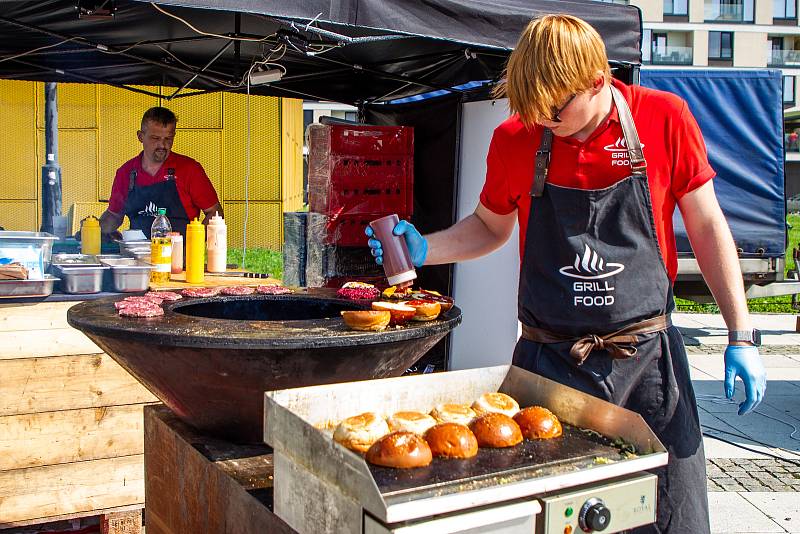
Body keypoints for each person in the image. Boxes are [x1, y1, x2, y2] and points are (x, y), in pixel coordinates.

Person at [367, 15, 766, 533]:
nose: (544, 121)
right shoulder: (517, 137)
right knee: (552, 517)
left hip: (647, 365)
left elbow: (709, 226)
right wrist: (426, 249)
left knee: (671, 517)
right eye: (533, 110)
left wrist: (741, 333)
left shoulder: (663, 117)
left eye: (555, 109)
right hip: (549, 364)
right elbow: (490, 227)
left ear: (597, 79)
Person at [99, 107, 222, 240]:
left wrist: (192, 246)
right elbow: (114, 215)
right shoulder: (125, 172)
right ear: (140, 136)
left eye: (168, 139)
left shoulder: (190, 169)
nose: (162, 145)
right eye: (155, 138)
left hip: (179, 255)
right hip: (136, 255)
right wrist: (94, 228)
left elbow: (214, 213)